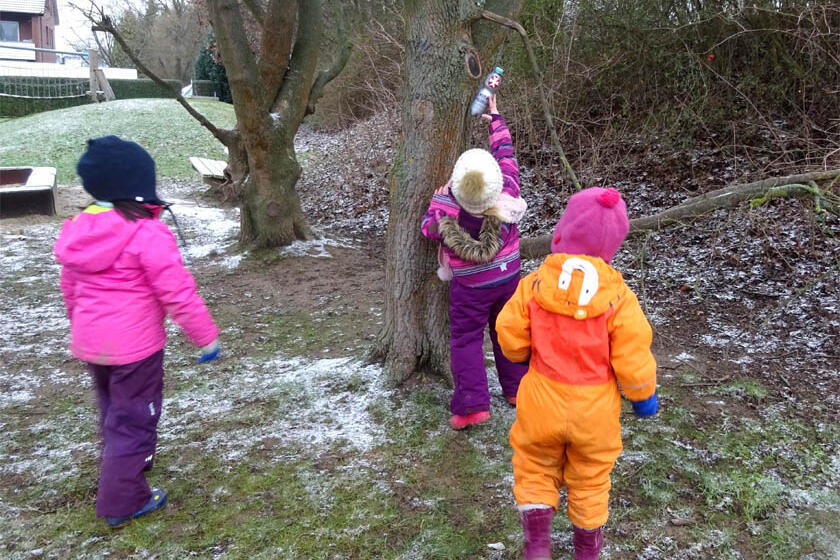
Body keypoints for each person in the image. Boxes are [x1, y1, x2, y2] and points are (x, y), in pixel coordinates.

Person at [54, 136, 221, 528]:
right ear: (138, 186)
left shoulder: (79, 228)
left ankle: (130, 458)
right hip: (135, 350)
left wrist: (80, 325)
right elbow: (176, 291)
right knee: (135, 419)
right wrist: (205, 335)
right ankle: (123, 501)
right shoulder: (147, 233)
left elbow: (70, 289)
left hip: (92, 344)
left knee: (115, 410)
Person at [495, 187, 658, 559]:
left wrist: (520, 354)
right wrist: (643, 395)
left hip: (541, 399)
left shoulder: (535, 284)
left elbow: (509, 332)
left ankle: (537, 544)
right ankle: (586, 551)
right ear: (612, 249)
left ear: (559, 234)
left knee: (535, 465)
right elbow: (633, 352)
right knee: (591, 477)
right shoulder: (619, 297)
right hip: (594, 410)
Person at [421, 95, 529, 430]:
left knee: (466, 338)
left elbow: (428, 228)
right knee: (507, 329)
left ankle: (471, 405)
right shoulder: (508, 193)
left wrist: (438, 199)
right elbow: (506, 155)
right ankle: (517, 389)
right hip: (508, 275)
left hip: (471, 287)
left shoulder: (448, 208)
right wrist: (496, 119)